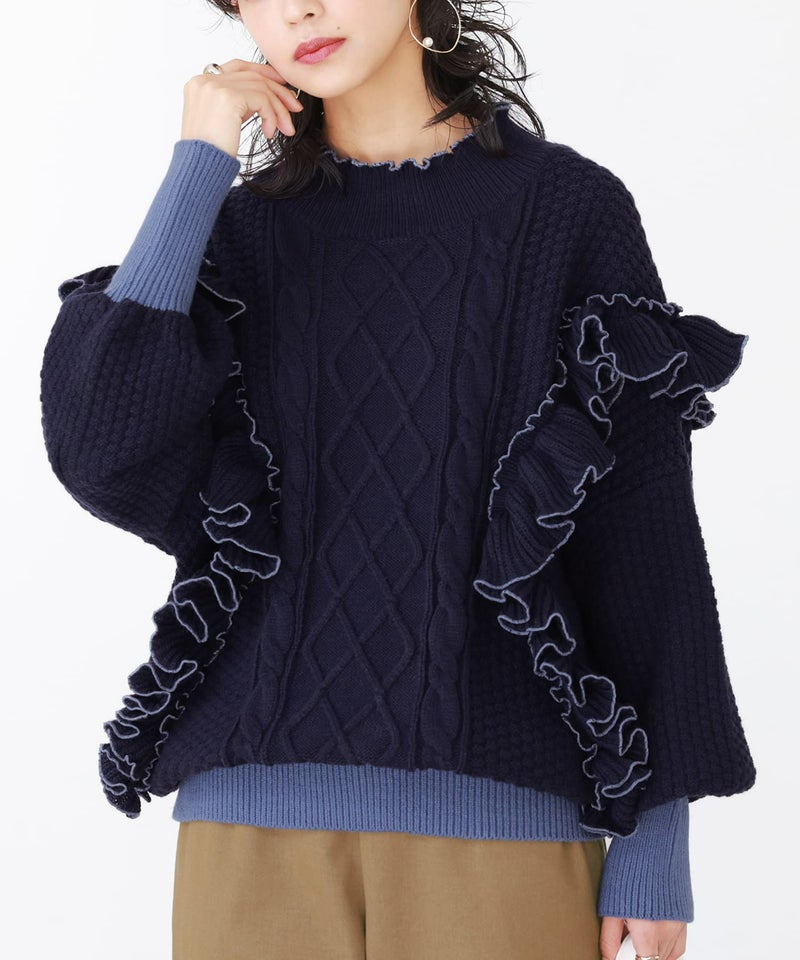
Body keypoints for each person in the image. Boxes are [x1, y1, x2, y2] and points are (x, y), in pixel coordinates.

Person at [39, 1, 757, 958]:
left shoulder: (566, 210)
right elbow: (101, 446)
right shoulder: (237, 231)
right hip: (247, 834)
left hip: (501, 829)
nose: (299, 8)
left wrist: (656, 839)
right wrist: (199, 163)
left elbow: (644, 536)